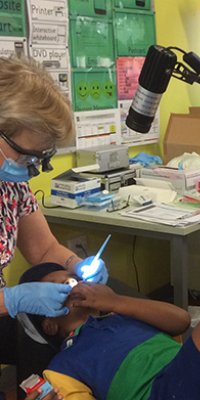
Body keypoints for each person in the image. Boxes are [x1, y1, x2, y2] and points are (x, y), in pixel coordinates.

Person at [19, 262, 200, 400]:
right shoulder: (63, 365)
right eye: (62, 288)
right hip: (160, 393)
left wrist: (116, 301)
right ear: (50, 324)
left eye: (74, 280)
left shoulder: (118, 315)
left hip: (187, 373)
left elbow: (180, 321)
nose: (75, 286)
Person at [0, 55, 109, 371]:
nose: (32, 171)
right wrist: (16, 299)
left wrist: (77, 263)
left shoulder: (10, 185)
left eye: (41, 159)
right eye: (27, 157)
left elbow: (43, 248)